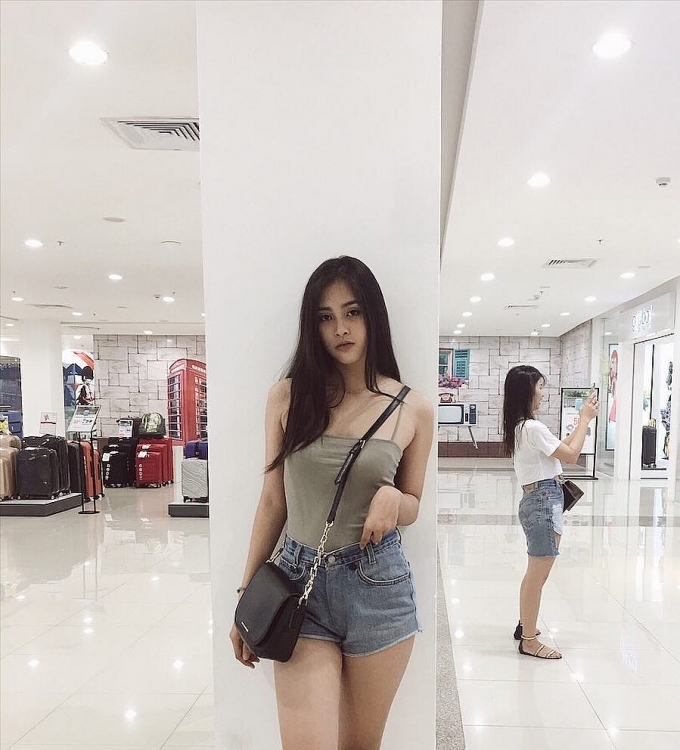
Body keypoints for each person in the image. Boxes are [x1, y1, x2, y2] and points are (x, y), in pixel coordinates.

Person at [230, 256, 433, 750]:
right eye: (325, 317)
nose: (340, 328)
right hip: (299, 585)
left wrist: (394, 499)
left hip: (379, 588)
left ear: (373, 316)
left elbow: (413, 502)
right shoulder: (287, 397)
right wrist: (246, 596)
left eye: (352, 312)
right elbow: (272, 501)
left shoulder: (414, 408)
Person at [501, 366, 598, 660]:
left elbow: (561, 448)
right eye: (540, 387)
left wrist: (579, 424)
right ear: (527, 391)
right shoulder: (532, 428)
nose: (543, 394)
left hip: (539, 499)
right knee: (537, 575)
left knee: (535, 573)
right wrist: (584, 420)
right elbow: (572, 456)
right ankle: (529, 641)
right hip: (544, 501)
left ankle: (524, 626)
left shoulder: (522, 426)